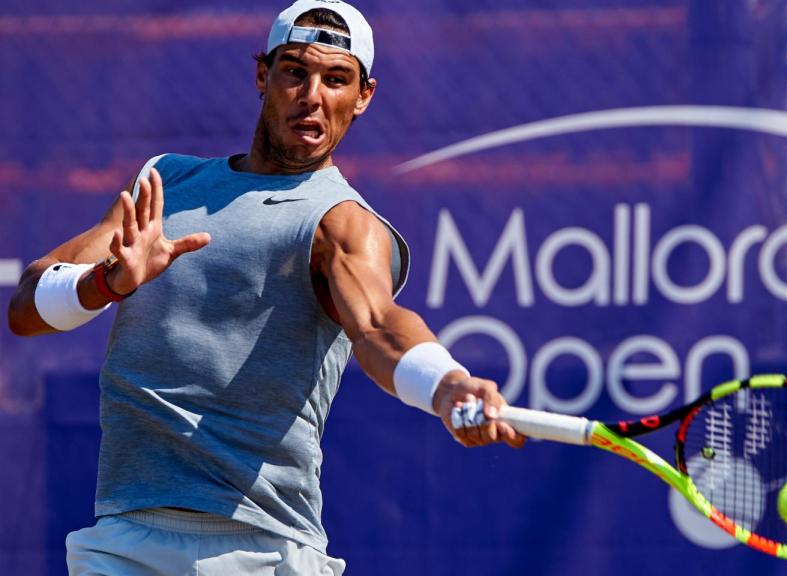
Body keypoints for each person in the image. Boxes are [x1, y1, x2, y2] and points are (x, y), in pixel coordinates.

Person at [6, 1, 523, 573]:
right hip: (124, 540)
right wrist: (108, 282)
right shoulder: (165, 182)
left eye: (336, 79)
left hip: (265, 548)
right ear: (262, 75)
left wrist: (447, 385)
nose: (312, 96)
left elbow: (378, 326)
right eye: (295, 72)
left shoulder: (342, 223)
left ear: (363, 96)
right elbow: (26, 307)